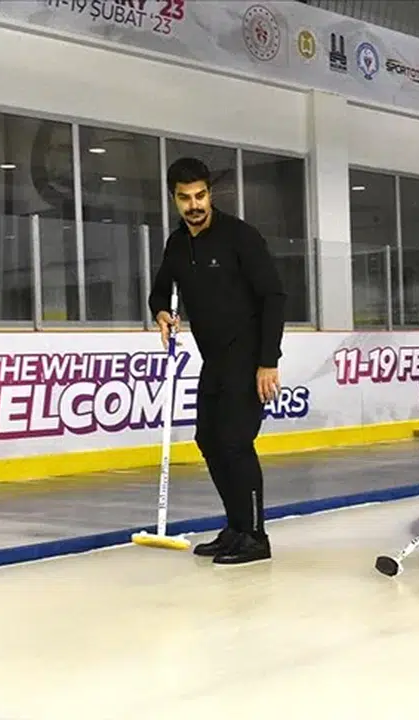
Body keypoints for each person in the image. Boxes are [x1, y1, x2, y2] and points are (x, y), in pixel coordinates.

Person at [148, 157, 286, 566]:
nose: (194, 205)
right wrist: (160, 312)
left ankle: (256, 535)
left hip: (248, 355)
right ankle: (237, 527)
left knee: (235, 442)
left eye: (200, 195)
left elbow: (273, 297)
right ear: (174, 199)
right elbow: (160, 290)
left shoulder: (240, 237)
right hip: (214, 360)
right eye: (185, 198)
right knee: (208, 439)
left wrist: (268, 361)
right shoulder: (177, 244)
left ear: (210, 194)